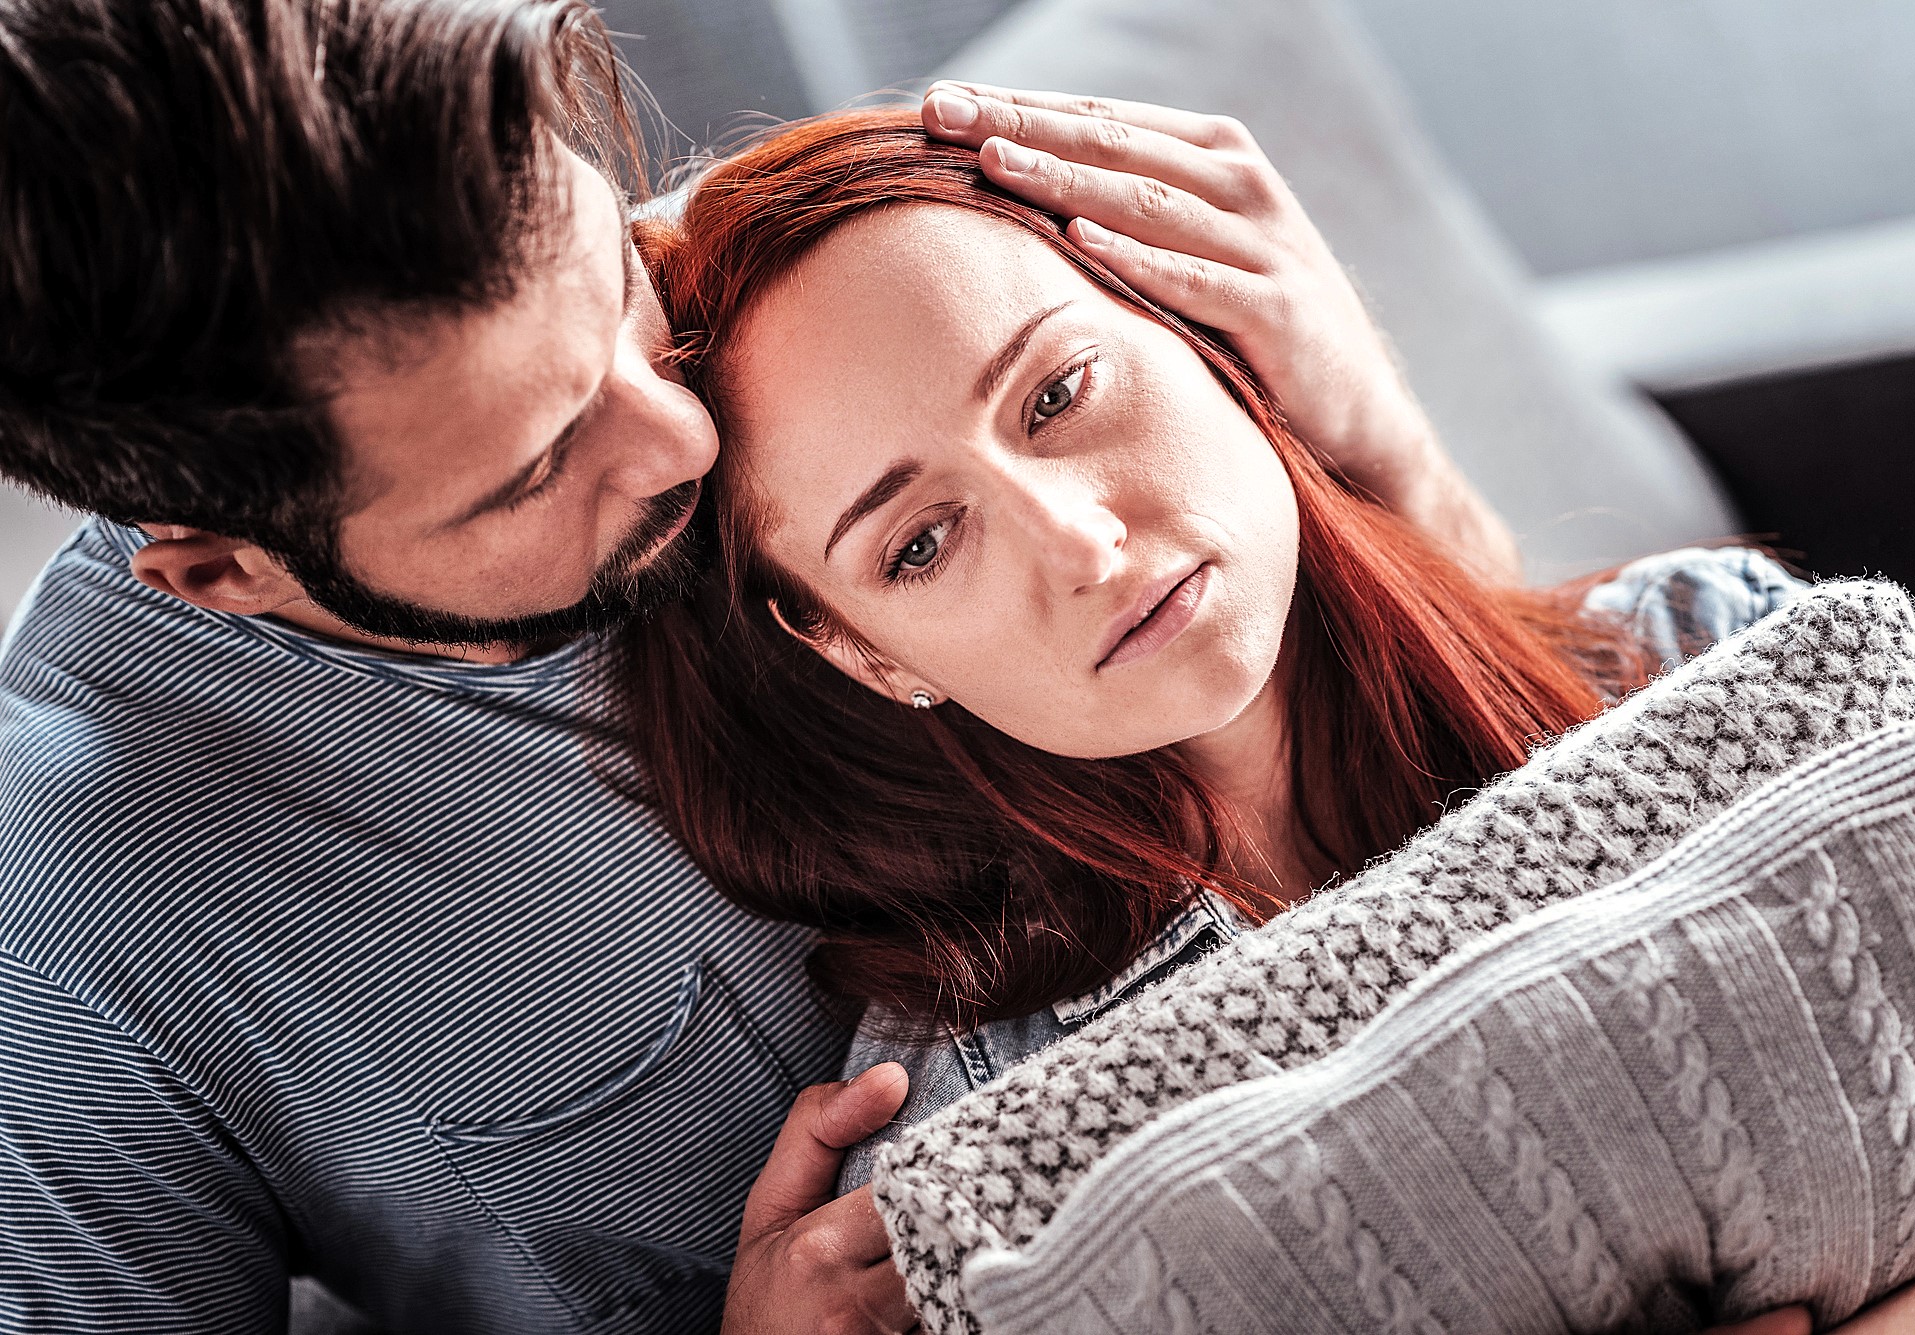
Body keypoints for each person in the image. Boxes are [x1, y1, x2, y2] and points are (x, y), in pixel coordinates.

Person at [0, 1, 1526, 1330]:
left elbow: (1471, 737)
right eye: (538, 471)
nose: (684, 435)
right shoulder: (74, 944)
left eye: (616, 286)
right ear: (227, 571)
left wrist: (1378, 459)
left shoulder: (809, 318)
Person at [629, 109, 1915, 1332]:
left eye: (1056, 395)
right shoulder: (963, 1174)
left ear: (1199, 331)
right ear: (867, 654)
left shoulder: (1719, 648)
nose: (1084, 545)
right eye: (922, 544)